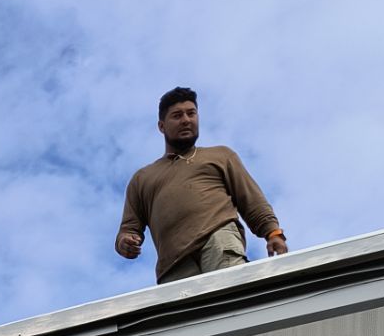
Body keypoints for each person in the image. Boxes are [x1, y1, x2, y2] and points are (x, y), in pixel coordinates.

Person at [116, 87, 288, 283]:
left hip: (218, 240)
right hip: (173, 264)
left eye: (191, 113)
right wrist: (125, 242)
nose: (186, 120)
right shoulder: (142, 178)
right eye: (177, 115)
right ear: (161, 126)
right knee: (190, 305)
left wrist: (273, 233)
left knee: (232, 294)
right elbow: (128, 228)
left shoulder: (220, 155)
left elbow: (251, 199)